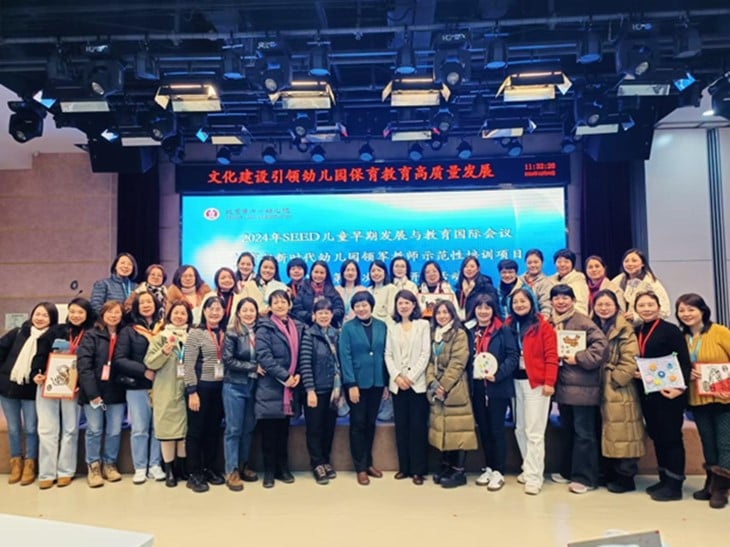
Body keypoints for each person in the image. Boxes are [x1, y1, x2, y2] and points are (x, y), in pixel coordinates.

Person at [549, 284, 608, 494]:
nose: (561, 302)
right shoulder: (551, 322)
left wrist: (579, 358)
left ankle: (586, 478)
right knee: (569, 431)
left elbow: (601, 346)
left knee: (585, 434)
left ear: (573, 300)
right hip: (564, 387)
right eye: (556, 298)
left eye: (565, 298)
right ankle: (568, 471)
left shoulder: (583, 321)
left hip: (582, 388)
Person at [634, 290, 691, 501]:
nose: (646, 309)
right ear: (636, 309)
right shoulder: (638, 330)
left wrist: (679, 388)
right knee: (658, 437)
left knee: (672, 438)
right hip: (648, 393)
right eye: (642, 305)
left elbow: (684, 361)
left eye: (650, 305)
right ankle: (664, 478)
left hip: (669, 393)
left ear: (658, 307)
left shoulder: (670, 330)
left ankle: (675, 485)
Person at [675, 293, 730, 508]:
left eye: (691, 309)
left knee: (725, 443)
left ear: (702, 311)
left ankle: (722, 488)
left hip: (724, 399)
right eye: (682, 310)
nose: (687, 314)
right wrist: (687, 373)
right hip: (697, 399)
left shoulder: (719, 332)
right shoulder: (682, 337)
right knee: (707, 442)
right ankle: (711, 481)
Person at [36, 297, 94, 489]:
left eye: (80, 312)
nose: (76, 316)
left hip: (73, 386)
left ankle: (65, 471)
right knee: (46, 428)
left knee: (70, 428)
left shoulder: (91, 333)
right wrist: (37, 373)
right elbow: (40, 354)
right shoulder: (56, 330)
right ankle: (46, 472)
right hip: (48, 383)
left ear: (87, 314)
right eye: (73, 311)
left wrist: (81, 383)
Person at [592, 290, 645, 494]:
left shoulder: (625, 328)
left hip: (618, 387)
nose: (603, 308)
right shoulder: (592, 326)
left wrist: (616, 379)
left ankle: (626, 477)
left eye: (608, 304)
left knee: (624, 431)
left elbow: (631, 359)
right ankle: (608, 473)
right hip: (597, 386)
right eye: (600, 304)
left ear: (616, 306)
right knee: (606, 430)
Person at [506, 288, 558, 495]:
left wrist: (549, 381)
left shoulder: (543, 326)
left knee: (534, 432)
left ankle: (535, 477)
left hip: (536, 384)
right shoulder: (509, 325)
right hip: (515, 383)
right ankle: (528, 469)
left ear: (532, 302)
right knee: (520, 428)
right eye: (515, 302)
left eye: (523, 301)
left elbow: (552, 356)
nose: (519, 305)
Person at [0, 302, 58, 486]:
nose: (40, 318)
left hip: (32, 391)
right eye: (37, 314)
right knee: (14, 428)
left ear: (52, 319)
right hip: (7, 388)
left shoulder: (52, 338)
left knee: (32, 429)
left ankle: (30, 464)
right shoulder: (18, 332)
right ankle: (16, 462)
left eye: (45, 315)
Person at [466, 293, 519, 491]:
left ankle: (499, 471)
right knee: (485, 430)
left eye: (487, 307)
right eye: (479, 307)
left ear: (493, 309)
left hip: (497, 387)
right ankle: (488, 467)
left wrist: (498, 374)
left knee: (497, 430)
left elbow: (512, 357)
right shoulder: (470, 330)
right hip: (477, 388)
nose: (483, 311)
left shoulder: (503, 329)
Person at [113, 291, 165, 484]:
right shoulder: (129, 330)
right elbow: (119, 360)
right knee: (140, 429)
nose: (146, 305)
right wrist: (144, 371)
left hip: (162, 386)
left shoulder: (164, 328)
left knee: (158, 428)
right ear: (136, 307)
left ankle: (155, 464)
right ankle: (140, 466)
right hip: (138, 386)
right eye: (141, 302)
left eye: (149, 302)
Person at [255, 289, 305, 488]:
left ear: (289, 305)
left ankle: (282, 469)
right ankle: (268, 472)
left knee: (284, 432)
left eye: (283, 301)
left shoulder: (299, 327)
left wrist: (298, 375)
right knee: (269, 433)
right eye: (275, 302)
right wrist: (285, 376)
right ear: (270, 306)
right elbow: (264, 356)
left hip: (291, 388)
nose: (279, 305)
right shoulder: (264, 328)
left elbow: (303, 353)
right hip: (271, 386)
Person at [339, 291, 388, 485]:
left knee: (370, 424)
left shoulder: (382, 326)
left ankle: (369, 462)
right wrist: (351, 384)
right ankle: (360, 467)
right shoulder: (348, 328)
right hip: (357, 384)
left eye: (364, 304)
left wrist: (385, 383)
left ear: (371, 306)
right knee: (357, 424)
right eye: (357, 305)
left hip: (377, 383)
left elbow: (386, 355)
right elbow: (345, 357)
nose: (361, 308)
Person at [427, 299, 477, 488]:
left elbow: (458, 362)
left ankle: (459, 472)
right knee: (445, 428)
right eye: (438, 313)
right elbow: (430, 361)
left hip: (455, 388)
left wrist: (444, 385)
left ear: (452, 314)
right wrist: (432, 382)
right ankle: (446, 467)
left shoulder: (459, 333)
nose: (442, 316)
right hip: (438, 387)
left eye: (445, 312)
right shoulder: (434, 334)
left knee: (459, 429)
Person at [76, 300, 126, 487]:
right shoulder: (91, 335)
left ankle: (110, 464)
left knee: (114, 430)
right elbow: (84, 365)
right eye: (110, 312)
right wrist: (92, 393)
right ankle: (93, 466)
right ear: (103, 314)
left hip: (116, 391)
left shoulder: (124, 335)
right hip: (94, 392)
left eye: (117, 312)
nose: (113, 315)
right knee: (95, 430)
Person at [144, 300, 193, 488]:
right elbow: (150, 362)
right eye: (176, 313)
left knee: (183, 431)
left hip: (188, 388)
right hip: (166, 388)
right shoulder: (161, 337)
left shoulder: (192, 337)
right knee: (167, 431)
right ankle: (169, 470)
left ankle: (181, 468)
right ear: (169, 315)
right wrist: (164, 352)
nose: (179, 316)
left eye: (183, 313)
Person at [384, 290, 430, 485]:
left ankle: (418, 470)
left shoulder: (423, 325)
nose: (403, 306)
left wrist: (410, 378)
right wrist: (396, 376)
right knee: (401, 428)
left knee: (418, 428)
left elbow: (425, 353)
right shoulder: (392, 327)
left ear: (414, 305)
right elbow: (387, 355)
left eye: (407, 303)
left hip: (417, 385)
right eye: (400, 303)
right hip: (398, 386)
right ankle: (404, 467)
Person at [183, 296, 228, 493]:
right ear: (204, 311)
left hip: (221, 389)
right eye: (211, 308)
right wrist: (192, 391)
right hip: (200, 388)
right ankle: (194, 473)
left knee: (212, 431)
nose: (215, 312)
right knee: (195, 432)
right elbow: (188, 364)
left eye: (219, 308)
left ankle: (209, 468)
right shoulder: (196, 333)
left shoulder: (227, 332)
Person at [299, 298, 342, 485]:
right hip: (315, 390)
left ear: (332, 315)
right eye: (320, 312)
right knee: (314, 429)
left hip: (334, 391)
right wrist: (310, 390)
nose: (324, 316)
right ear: (314, 315)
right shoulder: (309, 334)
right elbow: (305, 365)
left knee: (328, 428)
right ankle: (316, 463)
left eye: (327, 312)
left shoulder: (337, 334)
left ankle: (325, 460)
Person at [221, 297, 261, 491]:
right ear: (238, 313)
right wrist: (253, 366)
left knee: (248, 428)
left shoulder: (261, 331)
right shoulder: (232, 333)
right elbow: (228, 361)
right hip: (234, 386)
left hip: (254, 386)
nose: (248, 313)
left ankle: (244, 464)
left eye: (251, 310)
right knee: (233, 430)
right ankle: (231, 470)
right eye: (244, 310)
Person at [612, 248, 671, 325]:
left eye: (634, 260)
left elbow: (665, 311)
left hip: (645, 327)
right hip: (622, 328)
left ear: (643, 263)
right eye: (626, 261)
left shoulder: (651, 283)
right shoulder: (617, 281)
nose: (630, 264)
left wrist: (637, 317)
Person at [292, 260, 346, 328]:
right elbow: (296, 311)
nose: (318, 275)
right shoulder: (303, 289)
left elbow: (340, 310)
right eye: (316, 272)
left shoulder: (332, 290)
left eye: (322, 273)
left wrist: (326, 315)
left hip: (330, 329)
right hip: (307, 328)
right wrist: (311, 316)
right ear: (311, 273)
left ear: (326, 274)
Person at [455, 255, 497, 320]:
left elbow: (494, 308)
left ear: (478, 268)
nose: (469, 269)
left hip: (482, 323)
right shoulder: (459, 289)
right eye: (466, 266)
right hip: (464, 323)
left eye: (472, 266)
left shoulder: (486, 286)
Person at [549, 249, 590, 315]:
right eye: (559, 262)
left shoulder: (578, 281)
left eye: (566, 262)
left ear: (572, 264)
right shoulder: (550, 281)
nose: (562, 264)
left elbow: (581, 307)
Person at [519, 249, 552, 317]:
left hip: (537, 321)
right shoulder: (519, 280)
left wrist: (541, 322)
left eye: (536, 262)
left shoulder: (546, 282)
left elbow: (546, 306)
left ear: (542, 263)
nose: (533, 265)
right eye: (529, 263)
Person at [367, 259, 395, 324]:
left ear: (385, 272)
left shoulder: (391, 288)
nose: (376, 273)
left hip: (385, 325)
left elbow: (391, 312)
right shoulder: (368, 290)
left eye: (379, 270)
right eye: (373, 271)